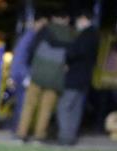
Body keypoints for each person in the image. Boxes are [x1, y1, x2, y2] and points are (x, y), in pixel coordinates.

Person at [16, 10, 76, 142]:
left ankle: (22, 133)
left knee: (29, 104)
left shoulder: (45, 30)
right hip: (56, 75)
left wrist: (30, 67)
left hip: (38, 72)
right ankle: (39, 136)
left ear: (53, 17)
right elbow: (72, 54)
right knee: (46, 108)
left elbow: (32, 49)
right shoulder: (70, 34)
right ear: (66, 19)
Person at [56, 10, 100, 145]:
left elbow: (75, 53)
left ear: (84, 19)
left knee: (64, 106)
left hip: (76, 76)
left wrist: (67, 58)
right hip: (85, 77)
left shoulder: (86, 35)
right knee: (76, 107)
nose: (77, 22)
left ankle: (65, 136)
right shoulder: (94, 35)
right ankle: (71, 136)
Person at [9, 15, 48, 132]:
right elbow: (21, 57)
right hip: (22, 74)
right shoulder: (30, 36)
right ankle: (18, 129)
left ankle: (17, 129)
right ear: (36, 22)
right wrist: (26, 75)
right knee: (23, 104)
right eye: (42, 23)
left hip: (19, 73)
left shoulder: (29, 36)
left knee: (22, 104)